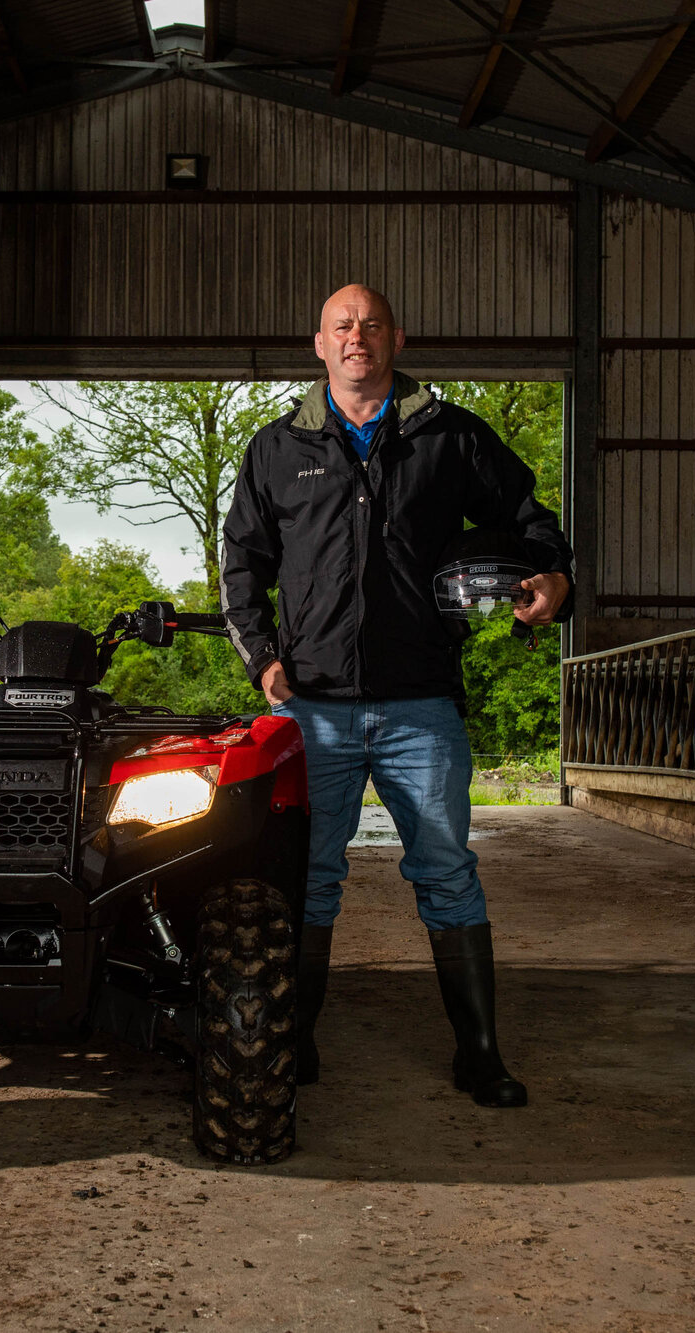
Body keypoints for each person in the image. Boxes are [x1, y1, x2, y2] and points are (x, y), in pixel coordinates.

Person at [219, 284, 574, 1108]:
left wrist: (554, 573)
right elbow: (242, 567)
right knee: (307, 876)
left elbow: (531, 517)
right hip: (310, 710)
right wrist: (264, 664)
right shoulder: (277, 449)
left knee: (448, 871)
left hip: (422, 705)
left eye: (371, 326)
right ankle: (293, 1043)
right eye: (342, 326)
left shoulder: (450, 437)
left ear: (396, 339)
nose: (357, 339)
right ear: (319, 344)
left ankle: (480, 1053)